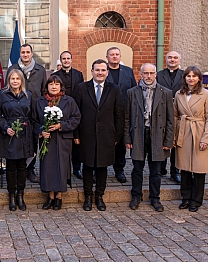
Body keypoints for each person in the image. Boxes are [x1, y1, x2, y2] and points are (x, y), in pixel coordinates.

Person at [74, 59, 124, 211]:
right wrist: (76, 134)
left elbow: (119, 114)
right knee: (88, 167)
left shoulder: (114, 89)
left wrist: (117, 136)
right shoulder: (81, 88)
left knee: (102, 167)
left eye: (103, 70)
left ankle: (99, 196)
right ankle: (88, 197)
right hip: (86, 134)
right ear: (92, 71)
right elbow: (76, 113)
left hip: (107, 136)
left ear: (107, 72)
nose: (100, 73)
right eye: (97, 70)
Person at [125, 63, 174, 212]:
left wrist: (168, 140)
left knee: (156, 170)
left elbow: (171, 119)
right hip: (139, 134)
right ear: (140, 74)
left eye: (151, 73)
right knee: (137, 169)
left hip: (157, 135)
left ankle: (155, 198)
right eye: (145, 73)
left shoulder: (165, 92)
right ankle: (136, 196)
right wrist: (127, 138)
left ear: (156, 74)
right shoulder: (132, 92)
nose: (148, 76)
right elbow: (127, 118)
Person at [33, 75, 81, 211]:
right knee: (48, 167)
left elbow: (76, 118)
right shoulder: (39, 101)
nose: (53, 87)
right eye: (51, 84)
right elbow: (34, 120)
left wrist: (61, 125)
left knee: (61, 166)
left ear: (61, 86)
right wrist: (41, 131)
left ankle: (59, 196)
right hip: (47, 140)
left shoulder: (69, 101)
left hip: (62, 139)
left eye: (56, 84)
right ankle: (50, 196)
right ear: (46, 86)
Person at [173, 66, 208, 212]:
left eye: (194, 76)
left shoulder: (206, 94)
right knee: (184, 168)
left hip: (199, 131)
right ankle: (185, 198)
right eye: (188, 76)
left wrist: (206, 138)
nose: (191, 78)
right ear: (184, 78)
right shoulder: (179, 94)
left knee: (198, 169)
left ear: (199, 78)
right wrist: (174, 135)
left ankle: (196, 200)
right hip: (184, 131)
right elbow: (174, 115)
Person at [7, 44, 47, 183]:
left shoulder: (40, 70)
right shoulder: (13, 69)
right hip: (18, 111)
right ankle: (17, 168)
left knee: (33, 140)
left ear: (32, 53)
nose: (25, 54)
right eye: (23, 52)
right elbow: (8, 88)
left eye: (27, 52)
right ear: (20, 53)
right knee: (19, 140)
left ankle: (30, 169)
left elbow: (44, 91)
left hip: (35, 111)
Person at [0, 69, 33, 211]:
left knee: (22, 165)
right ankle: (11, 195)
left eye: (18, 78)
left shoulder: (28, 95)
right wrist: (5, 128)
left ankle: (20, 195)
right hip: (9, 133)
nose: (15, 81)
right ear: (8, 80)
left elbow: (32, 114)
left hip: (24, 133)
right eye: (12, 79)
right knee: (11, 166)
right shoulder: (2, 94)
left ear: (22, 80)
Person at [105, 46, 137, 184]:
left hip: (124, 114)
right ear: (107, 57)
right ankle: (101, 170)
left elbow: (134, 90)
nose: (115, 56)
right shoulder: (102, 70)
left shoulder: (128, 72)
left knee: (121, 145)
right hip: (106, 114)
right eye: (112, 54)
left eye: (117, 54)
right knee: (105, 144)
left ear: (120, 56)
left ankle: (119, 170)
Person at [52, 51, 84, 180]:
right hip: (60, 110)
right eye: (63, 59)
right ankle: (62, 169)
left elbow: (81, 91)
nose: (66, 61)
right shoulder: (55, 75)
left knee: (76, 142)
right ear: (61, 61)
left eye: (68, 58)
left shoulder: (78, 74)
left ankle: (76, 168)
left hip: (75, 109)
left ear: (71, 60)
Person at [156, 50, 183, 183]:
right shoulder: (159, 75)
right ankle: (161, 167)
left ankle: (175, 171)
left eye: (175, 58)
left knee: (176, 143)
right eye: (170, 57)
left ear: (179, 60)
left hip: (179, 113)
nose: (172, 60)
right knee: (162, 140)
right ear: (166, 60)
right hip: (161, 111)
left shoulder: (185, 75)